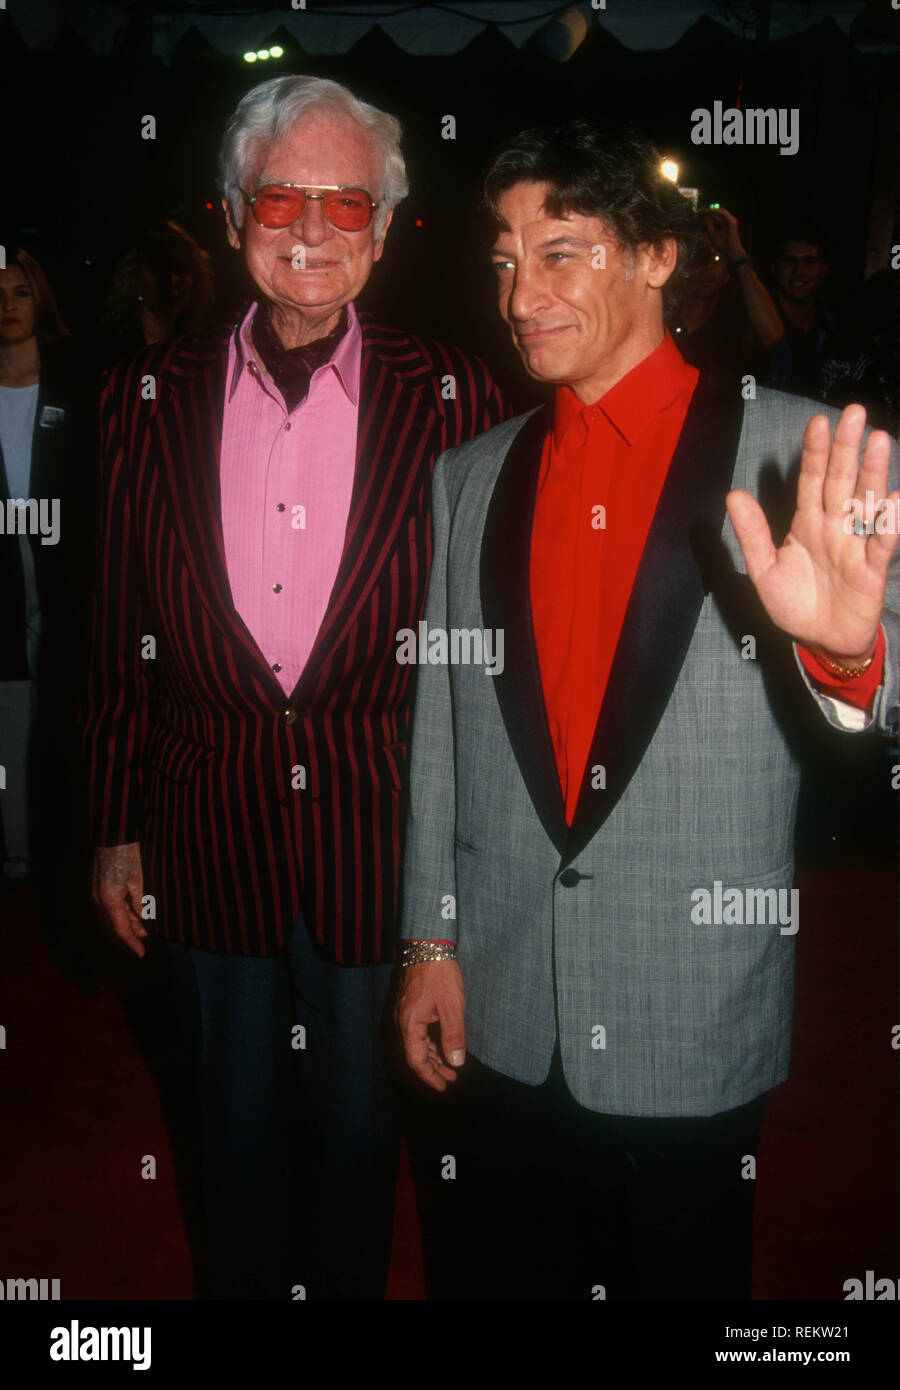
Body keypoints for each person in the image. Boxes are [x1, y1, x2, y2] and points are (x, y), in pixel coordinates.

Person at [395, 119, 899, 1301]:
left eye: (561, 251)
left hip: (689, 1012)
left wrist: (851, 652)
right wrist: (430, 940)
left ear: (661, 256)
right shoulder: (469, 477)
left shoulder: (805, 452)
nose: (522, 293)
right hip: (502, 1009)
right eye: (506, 256)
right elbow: (443, 736)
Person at [83, 74, 508, 1301]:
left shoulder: (460, 394)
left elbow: (484, 651)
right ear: (229, 216)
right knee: (232, 1150)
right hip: (205, 832)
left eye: (346, 201)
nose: (313, 228)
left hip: (386, 843)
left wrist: (466, 876)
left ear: (384, 228)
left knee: (362, 1153)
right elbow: (118, 637)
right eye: (281, 196)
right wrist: (116, 826)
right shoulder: (138, 399)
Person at [0, 249, 95, 890]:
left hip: (67, 585)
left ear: (41, 300)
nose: (7, 306)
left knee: (65, 725)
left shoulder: (77, 386)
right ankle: (16, 861)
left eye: (20, 293)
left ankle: (68, 860)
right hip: (3, 589)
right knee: (7, 732)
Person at [672, 206, 783, 380]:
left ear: (728, 272)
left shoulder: (732, 328)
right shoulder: (662, 318)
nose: (707, 268)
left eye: (716, 259)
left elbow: (772, 336)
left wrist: (737, 253)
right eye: (699, 257)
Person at [99, 221, 216, 368]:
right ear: (136, 277)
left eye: (181, 270)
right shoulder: (110, 350)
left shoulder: (204, 353)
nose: (172, 281)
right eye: (160, 269)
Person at [764, 222, 835, 397]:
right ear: (774, 268)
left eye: (809, 262)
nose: (799, 271)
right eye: (789, 261)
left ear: (823, 269)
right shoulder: (757, 323)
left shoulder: (833, 327)